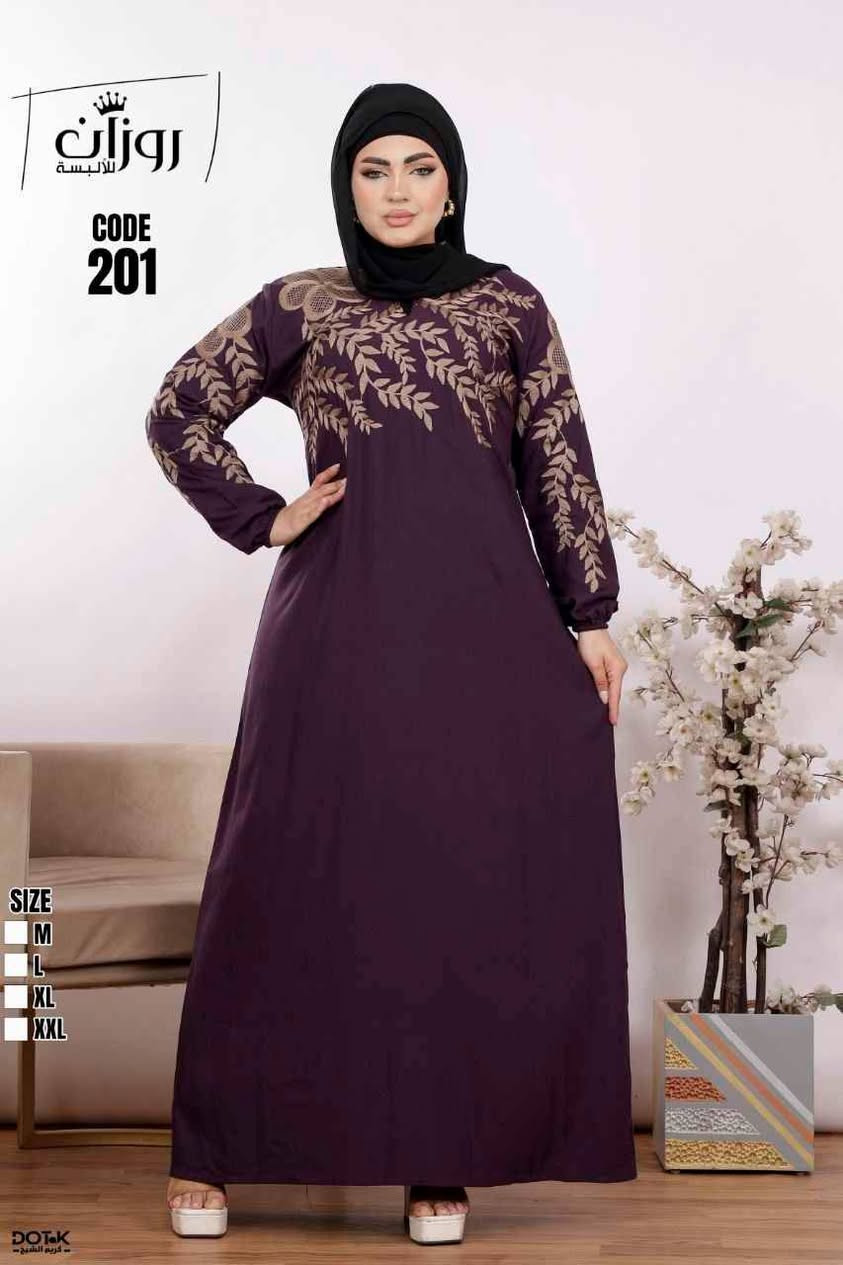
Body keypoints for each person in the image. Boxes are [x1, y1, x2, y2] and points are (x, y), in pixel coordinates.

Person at [148, 81, 636, 1244]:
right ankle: (214, 1146)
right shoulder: (302, 304)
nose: (398, 190)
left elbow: (557, 460)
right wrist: (264, 514)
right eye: (374, 170)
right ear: (347, 186)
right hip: (335, 625)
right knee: (282, 870)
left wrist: (591, 615)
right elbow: (178, 410)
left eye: (419, 168)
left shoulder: (510, 306)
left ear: (451, 185)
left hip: (482, 634)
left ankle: (436, 1156)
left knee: (448, 883)